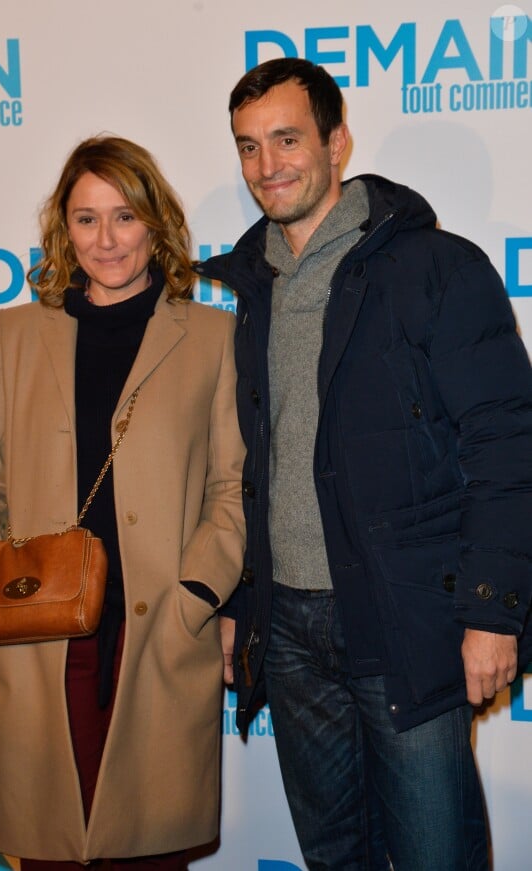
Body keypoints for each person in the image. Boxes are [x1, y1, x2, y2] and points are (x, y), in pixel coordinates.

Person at [197, 58, 532, 870]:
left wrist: (493, 610)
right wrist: (243, 600)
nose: (266, 165)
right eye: (247, 147)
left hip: (406, 618)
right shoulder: (251, 289)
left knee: (434, 854)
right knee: (334, 856)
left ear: (337, 141)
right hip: (292, 637)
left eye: (286, 139)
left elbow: (506, 439)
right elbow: (255, 461)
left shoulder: (437, 268)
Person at [0, 135, 246, 869]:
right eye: (86, 219)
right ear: (63, 228)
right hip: (42, 632)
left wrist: (198, 593)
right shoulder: (17, 332)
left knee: (148, 848)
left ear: (156, 224)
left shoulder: (211, 336)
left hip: (157, 635)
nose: (106, 239)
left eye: (124, 216)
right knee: (50, 845)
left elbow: (233, 485)